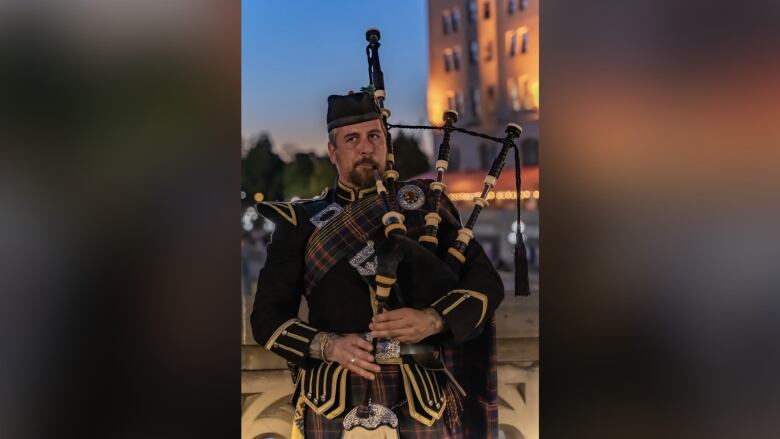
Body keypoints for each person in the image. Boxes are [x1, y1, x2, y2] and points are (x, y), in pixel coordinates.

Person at [251, 91, 505, 438]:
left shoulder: (423, 207)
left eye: (374, 136)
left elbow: (486, 282)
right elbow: (267, 317)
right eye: (351, 139)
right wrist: (328, 345)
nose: (365, 148)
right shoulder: (300, 222)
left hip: (421, 399)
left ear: (386, 144)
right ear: (332, 151)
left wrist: (434, 320)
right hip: (333, 398)